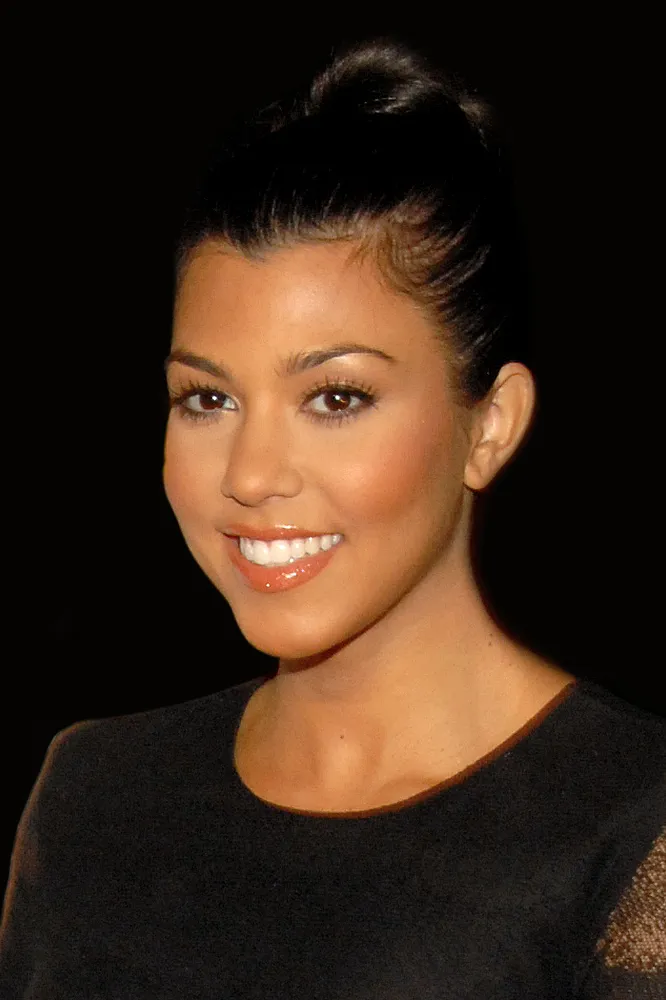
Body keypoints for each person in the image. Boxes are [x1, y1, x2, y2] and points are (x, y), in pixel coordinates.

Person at [1, 39, 664, 1000]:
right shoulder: (93, 796)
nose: (250, 475)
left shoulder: (634, 825)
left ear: (489, 427)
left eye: (336, 398)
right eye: (207, 400)